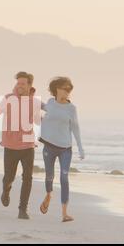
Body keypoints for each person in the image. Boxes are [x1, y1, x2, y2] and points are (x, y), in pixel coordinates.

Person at [0, 72, 42, 220]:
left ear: (29, 85)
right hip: (11, 144)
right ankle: (6, 190)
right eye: (18, 83)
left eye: (23, 83)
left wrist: (49, 122)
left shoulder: (34, 102)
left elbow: (37, 120)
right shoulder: (9, 98)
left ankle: (23, 209)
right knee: (9, 177)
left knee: (28, 177)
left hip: (28, 144)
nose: (19, 86)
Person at [38, 77, 85, 222]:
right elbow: (43, 107)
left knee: (64, 178)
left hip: (65, 148)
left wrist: (80, 148)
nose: (67, 91)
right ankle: (49, 194)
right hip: (49, 147)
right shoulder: (51, 103)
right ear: (56, 89)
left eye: (69, 89)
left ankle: (64, 213)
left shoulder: (72, 109)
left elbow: (75, 128)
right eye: (64, 88)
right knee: (49, 176)